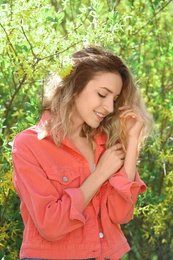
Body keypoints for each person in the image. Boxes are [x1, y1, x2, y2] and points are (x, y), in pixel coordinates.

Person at [12, 46, 153, 260]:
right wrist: (99, 174)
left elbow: (120, 214)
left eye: (114, 99)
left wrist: (132, 142)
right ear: (75, 86)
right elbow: (50, 225)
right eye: (102, 94)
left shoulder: (105, 144)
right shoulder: (29, 145)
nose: (109, 107)